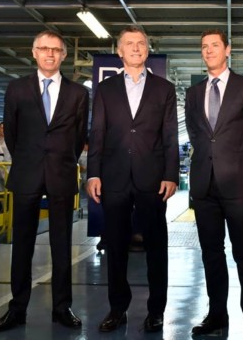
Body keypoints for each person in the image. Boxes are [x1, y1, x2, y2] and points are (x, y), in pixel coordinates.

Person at [0, 30, 89, 332]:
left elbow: (79, 137)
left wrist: (61, 160)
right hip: (26, 173)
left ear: (64, 55)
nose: (50, 54)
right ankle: (17, 309)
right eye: (44, 48)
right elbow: (11, 133)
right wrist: (29, 158)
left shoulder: (78, 93)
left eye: (56, 49)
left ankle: (62, 308)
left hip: (61, 173)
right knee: (22, 244)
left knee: (62, 244)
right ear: (33, 52)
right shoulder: (17, 89)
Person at [87, 25, 179, 333]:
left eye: (141, 43)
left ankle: (156, 310)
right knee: (116, 246)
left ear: (147, 50)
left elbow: (169, 135)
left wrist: (171, 174)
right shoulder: (106, 89)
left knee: (156, 245)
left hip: (152, 178)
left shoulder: (164, 89)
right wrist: (94, 172)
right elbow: (97, 132)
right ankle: (117, 308)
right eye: (130, 43)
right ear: (119, 51)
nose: (136, 47)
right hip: (113, 177)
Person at [185, 29, 243, 339]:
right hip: (204, 185)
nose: (209, 50)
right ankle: (217, 315)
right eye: (204, 46)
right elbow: (196, 134)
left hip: (238, 184)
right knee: (211, 253)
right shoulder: (194, 93)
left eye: (214, 45)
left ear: (227, 50)